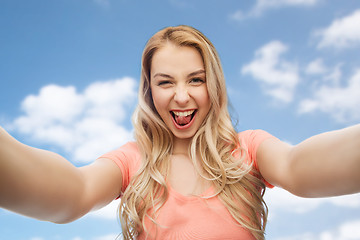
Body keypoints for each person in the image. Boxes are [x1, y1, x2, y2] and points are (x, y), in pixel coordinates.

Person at [0, 25, 359, 240]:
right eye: (166, 82)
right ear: (149, 91)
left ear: (213, 85)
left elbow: (300, 167)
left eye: (196, 80)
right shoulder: (132, 162)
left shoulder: (247, 151)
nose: (182, 96)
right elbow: (72, 194)